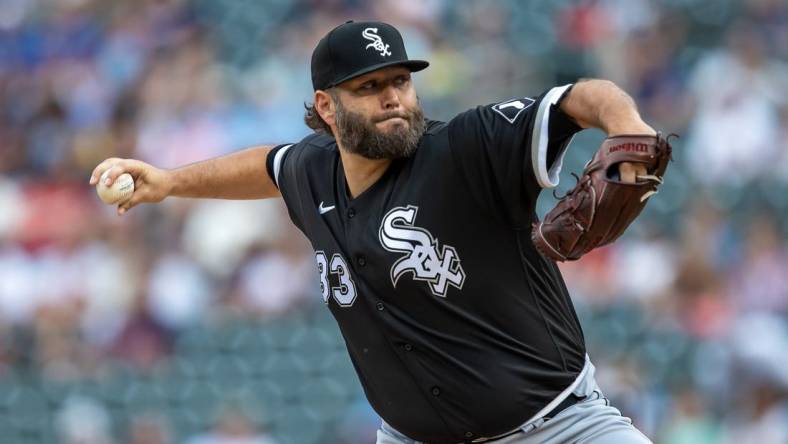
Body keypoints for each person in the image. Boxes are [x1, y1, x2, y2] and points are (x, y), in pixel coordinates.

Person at [91, 20, 655, 444]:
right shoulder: (313, 171)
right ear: (326, 106)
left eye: (400, 82)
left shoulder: (467, 148)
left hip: (558, 427)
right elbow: (267, 166)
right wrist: (168, 182)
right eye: (368, 87)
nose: (392, 97)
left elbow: (581, 98)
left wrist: (628, 127)